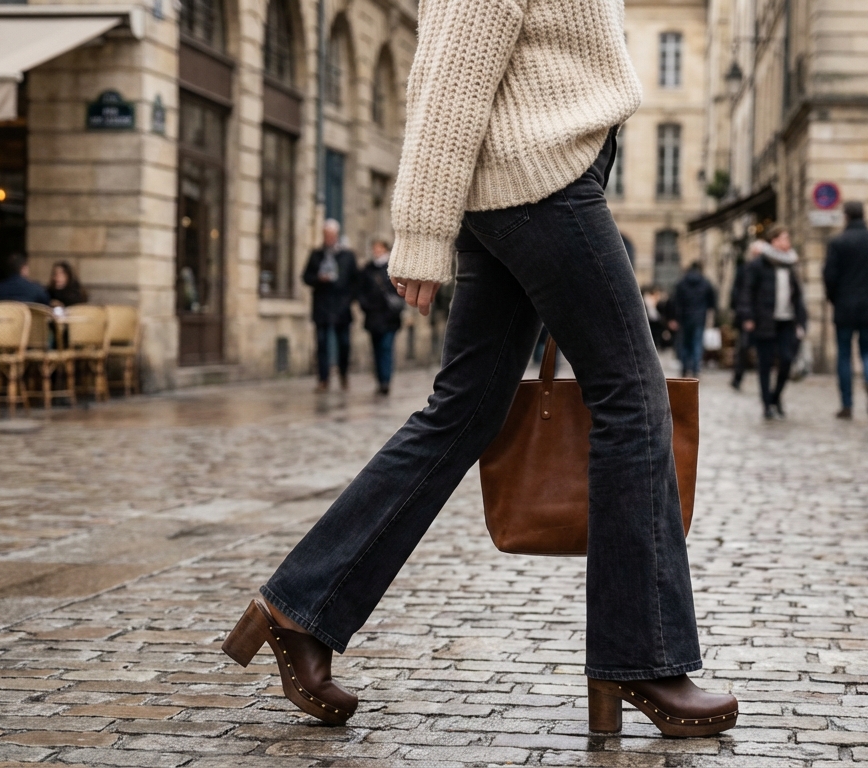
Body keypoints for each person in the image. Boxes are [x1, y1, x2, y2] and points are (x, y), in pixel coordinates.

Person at [221, 0, 736, 739]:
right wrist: (421, 233)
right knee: (632, 400)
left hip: (526, 182)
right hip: (539, 185)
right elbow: (448, 77)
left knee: (463, 412)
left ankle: (301, 608)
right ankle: (642, 659)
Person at [824, 200, 868, 419]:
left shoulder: (838, 243)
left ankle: (847, 404)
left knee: (844, 355)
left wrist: (834, 298)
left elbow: (830, 277)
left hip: (845, 307)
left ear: (845, 216)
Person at [736, 225, 807, 420]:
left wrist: (801, 320)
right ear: (774, 241)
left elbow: (798, 295)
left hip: (787, 321)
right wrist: (748, 316)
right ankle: (767, 404)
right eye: (784, 238)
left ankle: (776, 397)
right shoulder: (758, 264)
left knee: (786, 359)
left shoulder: (791, 264)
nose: (788, 242)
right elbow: (747, 292)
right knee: (765, 363)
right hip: (764, 320)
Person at [302, 220, 358, 392]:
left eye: (331, 235)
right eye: (326, 235)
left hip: (341, 307)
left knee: (344, 343)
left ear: (336, 235)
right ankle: (323, 379)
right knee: (322, 344)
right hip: (322, 306)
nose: (329, 238)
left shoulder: (347, 256)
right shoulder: (316, 254)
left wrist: (349, 299)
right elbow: (306, 277)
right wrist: (318, 279)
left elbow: (356, 281)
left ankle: (343, 374)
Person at [357, 240, 405, 395]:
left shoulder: (393, 268)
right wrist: (366, 305)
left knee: (386, 348)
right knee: (376, 349)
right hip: (373, 316)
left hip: (389, 317)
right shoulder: (367, 269)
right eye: (374, 248)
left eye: (379, 248)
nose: (376, 251)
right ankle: (380, 380)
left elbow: (400, 290)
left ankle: (385, 381)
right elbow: (360, 290)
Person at [669, 262, 717, 378]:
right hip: (699, 317)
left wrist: (674, 317)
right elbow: (712, 300)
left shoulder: (681, 283)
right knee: (697, 343)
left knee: (685, 343)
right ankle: (695, 369)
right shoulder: (705, 282)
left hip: (684, 317)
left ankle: (685, 368)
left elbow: (675, 301)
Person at [729, 251, 758, 390]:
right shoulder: (744, 270)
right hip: (746, 316)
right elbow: (737, 293)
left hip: (762, 317)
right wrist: (743, 315)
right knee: (744, 348)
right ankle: (738, 377)